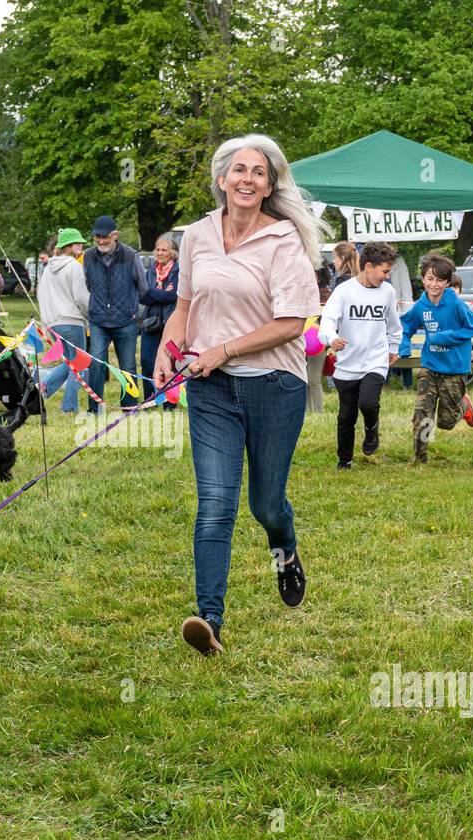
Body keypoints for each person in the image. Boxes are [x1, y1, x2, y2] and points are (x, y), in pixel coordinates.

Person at [152, 133, 324, 656]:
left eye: (259, 172)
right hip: (211, 391)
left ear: (270, 185)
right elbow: (183, 304)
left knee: (266, 504)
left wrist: (224, 348)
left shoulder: (284, 240)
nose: (248, 179)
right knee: (214, 504)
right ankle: (210, 619)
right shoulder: (198, 235)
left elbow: (293, 323)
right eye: (239, 170)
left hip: (275, 385)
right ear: (222, 179)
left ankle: (285, 548)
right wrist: (168, 344)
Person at [320, 241, 402, 469]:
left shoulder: (388, 292)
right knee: (346, 416)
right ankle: (344, 460)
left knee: (367, 402)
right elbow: (326, 321)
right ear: (368, 266)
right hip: (347, 364)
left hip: (376, 360)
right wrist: (331, 338)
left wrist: (393, 348)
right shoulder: (344, 291)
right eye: (384, 271)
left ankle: (372, 428)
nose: (386, 277)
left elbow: (394, 325)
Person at [399, 253, 473, 464]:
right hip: (429, 366)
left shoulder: (455, 304)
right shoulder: (421, 305)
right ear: (423, 278)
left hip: (454, 370)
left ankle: (463, 407)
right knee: (423, 414)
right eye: (429, 279)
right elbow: (406, 325)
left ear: (447, 282)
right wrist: (404, 343)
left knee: (446, 422)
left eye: (439, 280)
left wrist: (443, 337)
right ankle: (420, 457)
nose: (433, 284)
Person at [85, 215, 147, 411]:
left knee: (127, 366)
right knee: (95, 363)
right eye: (97, 237)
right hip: (98, 320)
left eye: (105, 237)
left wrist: (135, 314)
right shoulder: (88, 256)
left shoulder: (130, 255)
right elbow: (88, 284)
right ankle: (94, 408)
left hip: (126, 321)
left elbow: (143, 288)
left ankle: (129, 408)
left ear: (115, 235)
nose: (101, 241)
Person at [38, 228, 91, 414]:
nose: (81, 246)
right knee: (81, 364)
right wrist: (89, 315)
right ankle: (69, 407)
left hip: (53, 322)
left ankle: (41, 391)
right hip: (72, 321)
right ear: (67, 246)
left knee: (69, 361)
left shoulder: (48, 268)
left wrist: (46, 321)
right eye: (77, 243)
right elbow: (81, 297)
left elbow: (40, 295)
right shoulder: (74, 265)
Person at [140, 234, 179, 404]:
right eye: (158, 249)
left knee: (171, 362)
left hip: (171, 323)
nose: (160, 252)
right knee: (147, 361)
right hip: (151, 323)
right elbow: (143, 295)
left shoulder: (178, 271)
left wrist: (153, 293)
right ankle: (150, 398)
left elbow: (173, 294)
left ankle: (170, 401)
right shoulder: (150, 271)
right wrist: (161, 293)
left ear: (172, 253)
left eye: (164, 249)